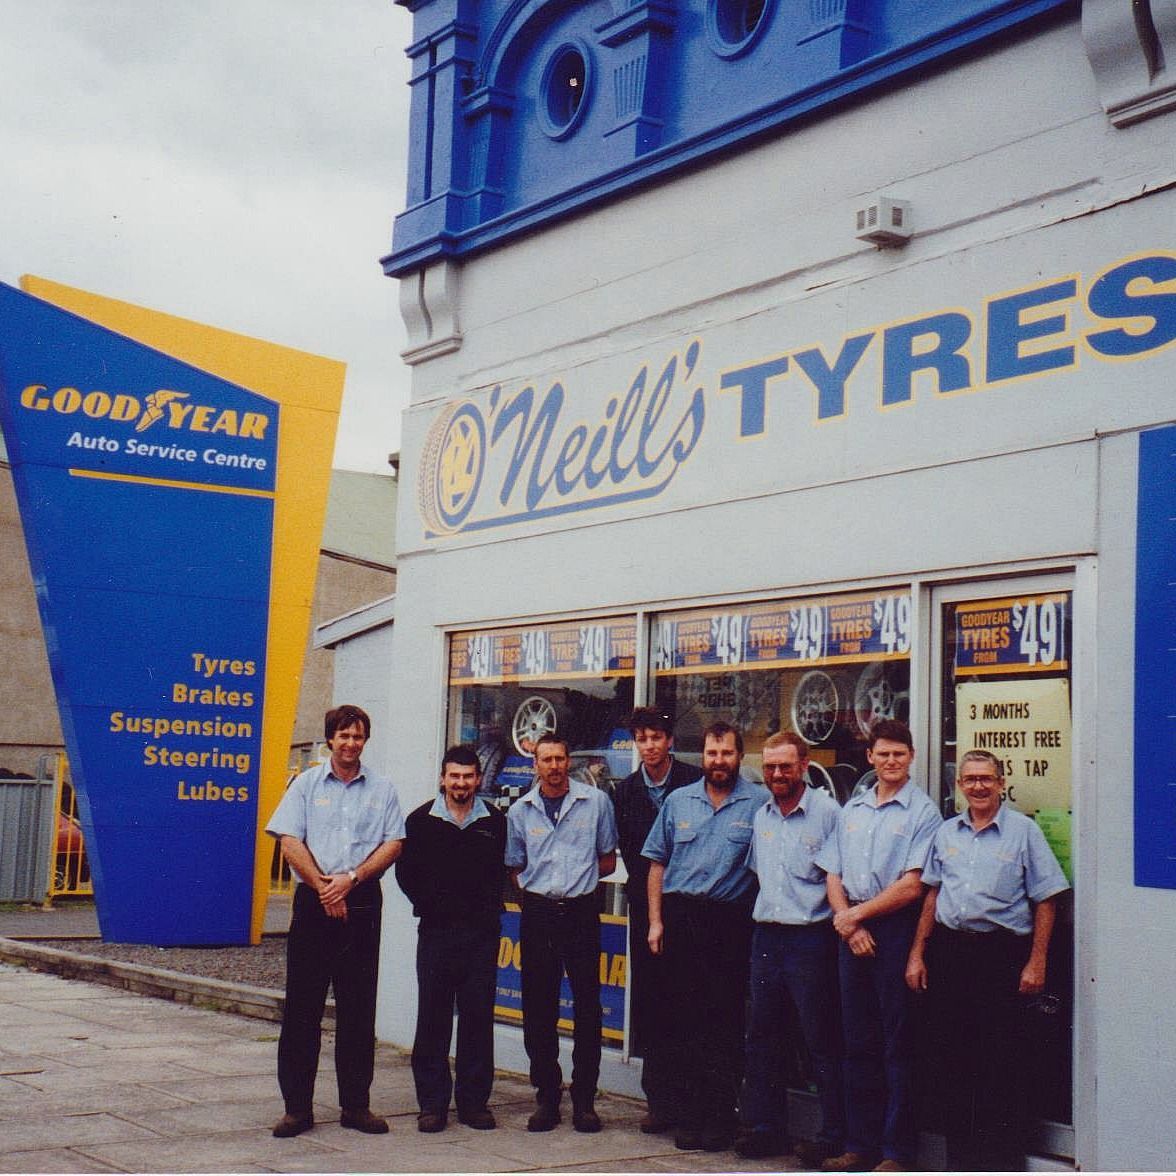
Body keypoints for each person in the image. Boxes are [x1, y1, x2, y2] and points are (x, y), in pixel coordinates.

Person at [905, 749, 1069, 1171]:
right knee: (954, 1061)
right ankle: (961, 1162)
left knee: (1002, 1063)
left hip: (1001, 956)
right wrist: (918, 953)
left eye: (986, 779)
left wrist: (1037, 962)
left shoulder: (1023, 832)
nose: (978, 786)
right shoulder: (946, 833)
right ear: (960, 785)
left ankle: (1000, 1162)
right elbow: (932, 894)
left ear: (1001, 783)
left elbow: (1047, 899)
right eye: (970, 779)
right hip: (952, 955)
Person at [266, 705, 405, 1139]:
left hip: (361, 901)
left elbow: (393, 842)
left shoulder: (381, 789)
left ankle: (356, 1106)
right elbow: (289, 839)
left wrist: (350, 880)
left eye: (358, 736)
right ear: (330, 739)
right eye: (343, 735)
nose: (350, 743)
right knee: (302, 1009)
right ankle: (296, 1110)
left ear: (366, 740)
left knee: (358, 1009)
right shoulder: (305, 785)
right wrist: (326, 888)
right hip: (314, 902)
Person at [816, 718, 941, 1173]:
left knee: (897, 1046)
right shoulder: (854, 809)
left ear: (910, 758)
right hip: (853, 930)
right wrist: (847, 922)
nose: (891, 761)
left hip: (893, 930)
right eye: (883, 754)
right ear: (870, 757)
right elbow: (832, 871)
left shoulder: (923, 813)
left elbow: (913, 886)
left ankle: (895, 1152)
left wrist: (855, 918)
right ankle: (858, 1145)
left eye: (899, 754)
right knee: (857, 1043)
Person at [642, 720, 768, 1153]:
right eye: (712, 754)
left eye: (727, 754)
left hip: (729, 923)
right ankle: (689, 1115)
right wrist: (656, 922)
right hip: (681, 920)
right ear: (703, 757)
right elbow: (656, 864)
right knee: (682, 1023)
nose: (719, 761)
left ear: (740, 755)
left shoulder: (759, 803)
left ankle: (720, 1118)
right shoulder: (679, 801)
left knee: (725, 1025)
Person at [735, 732, 845, 1167]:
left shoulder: (828, 814)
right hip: (767, 938)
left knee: (820, 1040)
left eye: (785, 766)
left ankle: (834, 1134)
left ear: (804, 765)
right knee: (763, 1038)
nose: (777, 774)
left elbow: (841, 878)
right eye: (770, 767)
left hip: (811, 938)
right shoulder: (761, 816)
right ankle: (767, 1129)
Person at [505, 732, 618, 1133]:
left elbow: (606, 859)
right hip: (538, 914)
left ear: (568, 761)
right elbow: (515, 864)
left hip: (581, 913)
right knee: (538, 1008)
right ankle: (547, 1097)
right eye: (546, 759)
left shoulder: (596, 803)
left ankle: (585, 1100)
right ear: (535, 764)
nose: (554, 766)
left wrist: (574, 882)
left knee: (587, 1007)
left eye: (560, 759)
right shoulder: (520, 811)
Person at [395, 744, 507, 1133]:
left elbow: (501, 872)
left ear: (478, 778)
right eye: (454, 776)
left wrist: (487, 910)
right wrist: (431, 904)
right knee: (433, 1018)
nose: (461, 783)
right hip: (437, 933)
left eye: (468, 776)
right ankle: (432, 1104)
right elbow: (406, 874)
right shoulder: (420, 820)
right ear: (443, 778)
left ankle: (474, 1103)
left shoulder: (495, 820)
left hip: (481, 934)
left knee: (478, 1017)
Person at [612, 706, 699, 1135]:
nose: (649, 746)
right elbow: (629, 852)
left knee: (689, 1002)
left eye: (656, 737)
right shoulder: (624, 792)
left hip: (687, 908)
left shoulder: (692, 782)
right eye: (641, 739)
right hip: (645, 909)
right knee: (652, 1003)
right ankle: (658, 1101)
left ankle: (690, 1102)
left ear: (669, 741)